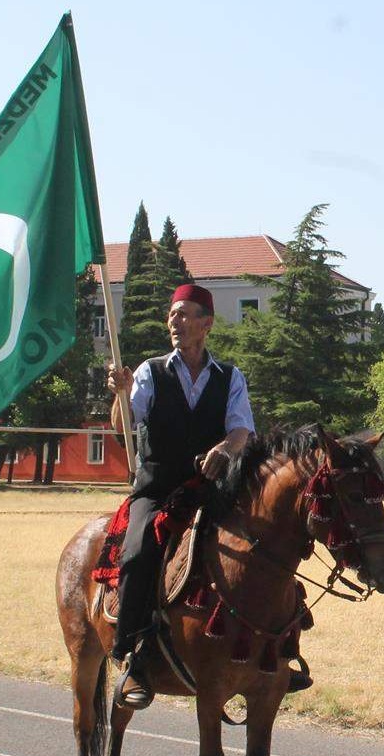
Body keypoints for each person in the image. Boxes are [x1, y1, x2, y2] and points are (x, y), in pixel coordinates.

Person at [106, 283, 255, 709]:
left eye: (185, 314)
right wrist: (120, 392)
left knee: (262, 541)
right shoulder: (151, 371)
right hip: (157, 490)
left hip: (212, 490)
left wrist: (225, 450)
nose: (176, 321)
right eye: (173, 314)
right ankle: (132, 657)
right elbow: (124, 423)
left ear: (206, 325)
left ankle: (275, 648)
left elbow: (241, 429)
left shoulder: (230, 377)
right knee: (136, 554)